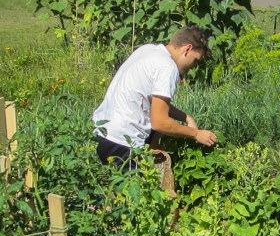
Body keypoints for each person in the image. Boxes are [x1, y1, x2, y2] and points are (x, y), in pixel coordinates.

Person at [92, 25, 217, 169]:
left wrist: (185, 117)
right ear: (187, 49)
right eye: (195, 60)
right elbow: (160, 122)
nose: (194, 66)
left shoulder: (148, 50)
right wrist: (195, 134)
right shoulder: (167, 67)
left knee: (107, 189)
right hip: (123, 142)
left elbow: (153, 101)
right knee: (134, 191)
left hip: (102, 134)